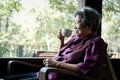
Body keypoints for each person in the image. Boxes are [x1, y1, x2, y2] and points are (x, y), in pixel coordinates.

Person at [4, 6, 111, 80]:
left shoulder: (96, 43)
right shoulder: (75, 38)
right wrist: (62, 41)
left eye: (77, 23)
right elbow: (61, 55)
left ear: (89, 24)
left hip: (58, 77)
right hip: (46, 74)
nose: (74, 27)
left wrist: (56, 64)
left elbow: (86, 68)